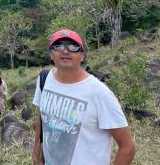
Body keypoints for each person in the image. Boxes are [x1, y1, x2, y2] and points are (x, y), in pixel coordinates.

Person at [32, 29, 136, 165]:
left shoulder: (100, 93)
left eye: (73, 47)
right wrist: (36, 150)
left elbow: (128, 147)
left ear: (82, 55)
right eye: (58, 46)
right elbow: (42, 116)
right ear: (51, 54)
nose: (65, 51)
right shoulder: (44, 80)